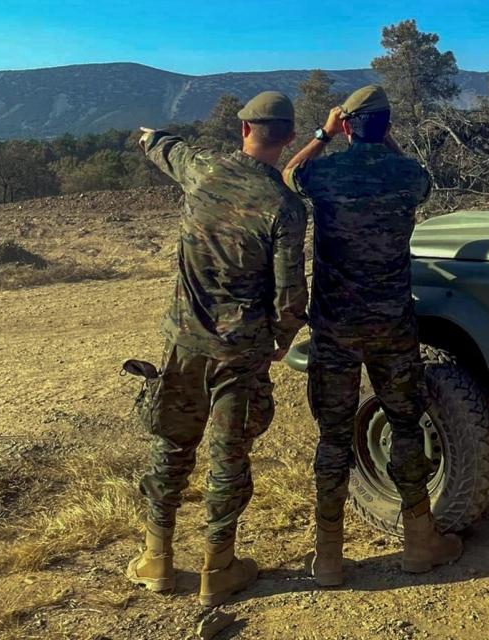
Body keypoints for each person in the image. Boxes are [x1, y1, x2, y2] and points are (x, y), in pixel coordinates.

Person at [126, 91, 308, 607]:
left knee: (172, 443)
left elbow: (167, 149)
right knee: (229, 458)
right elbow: (291, 293)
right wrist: (282, 337)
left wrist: (149, 136)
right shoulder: (286, 207)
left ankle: (157, 559)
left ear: (243, 128)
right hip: (242, 350)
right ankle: (217, 568)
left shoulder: (202, 172)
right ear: (289, 137)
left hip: (185, 343)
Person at [282, 85, 462, 587]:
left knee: (333, 434)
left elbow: (289, 174)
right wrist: (388, 142)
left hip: (335, 327)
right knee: (405, 425)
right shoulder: (406, 175)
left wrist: (323, 133)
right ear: (386, 127)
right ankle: (419, 542)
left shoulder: (325, 172)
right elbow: (420, 179)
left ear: (347, 126)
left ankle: (329, 556)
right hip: (391, 324)